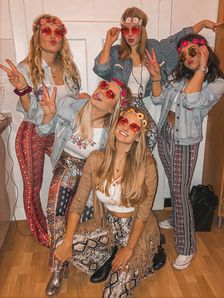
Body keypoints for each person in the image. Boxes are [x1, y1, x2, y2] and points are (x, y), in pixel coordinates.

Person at [52, 107, 159, 297]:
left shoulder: (147, 165)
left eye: (133, 126)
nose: (126, 127)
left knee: (112, 294)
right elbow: (78, 204)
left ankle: (148, 257)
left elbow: (143, 215)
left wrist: (129, 249)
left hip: (136, 232)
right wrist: (67, 242)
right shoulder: (95, 159)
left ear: (138, 137)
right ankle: (111, 257)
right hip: (107, 227)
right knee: (62, 243)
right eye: (123, 121)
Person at [37, 78, 131, 296]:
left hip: (92, 174)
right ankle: (57, 270)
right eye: (104, 86)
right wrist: (49, 115)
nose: (103, 91)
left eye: (111, 94)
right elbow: (44, 131)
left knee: (85, 223)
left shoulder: (112, 133)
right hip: (66, 165)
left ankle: (75, 255)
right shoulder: (69, 106)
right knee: (55, 216)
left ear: (113, 107)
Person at [0, 14, 83, 247]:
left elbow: (71, 104)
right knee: (33, 186)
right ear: (38, 35)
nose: (53, 36)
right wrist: (23, 89)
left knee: (69, 182)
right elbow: (30, 113)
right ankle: (42, 234)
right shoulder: (25, 68)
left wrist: (81, 101)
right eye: (47, 31)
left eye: (59, 31)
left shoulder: (69, 68)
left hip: (61, 134)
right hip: (34, 132)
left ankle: (65, 227)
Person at [93, 6, 223, 152]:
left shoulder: (153, 47)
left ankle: (139, 166)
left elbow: (175, 41)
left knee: (151, 132)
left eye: (134, 29)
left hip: (138, 103)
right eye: (125, 29)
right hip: (118, 103)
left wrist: (203, 23)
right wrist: (108, 43)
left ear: (142, 29)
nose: (129, 34)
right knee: (109, 136)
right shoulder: (116, 52)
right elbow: (101, 69)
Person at [149, 33, 224, 270]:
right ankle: (176, 219)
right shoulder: (177, 75)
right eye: (184, 54)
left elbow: (192, 100)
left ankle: (187, 247)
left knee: (180, 192)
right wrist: (155, 78)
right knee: (174, 184)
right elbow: (158, 99)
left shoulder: (216, 82)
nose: (186, 58)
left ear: (205, 51)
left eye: (193, 51)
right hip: (166, 134)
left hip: (185, 140)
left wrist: (202, 67)